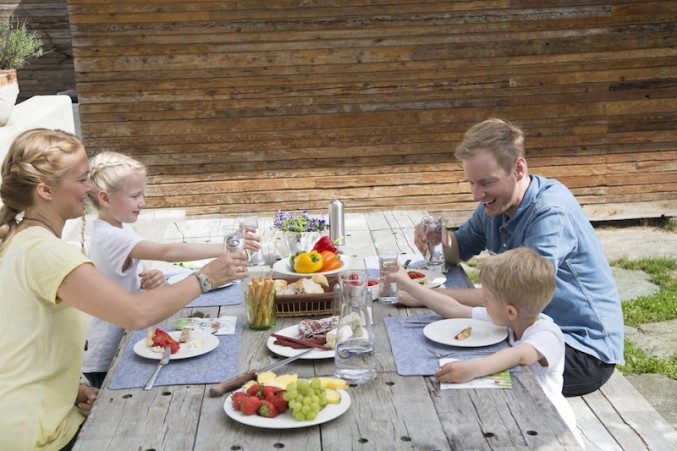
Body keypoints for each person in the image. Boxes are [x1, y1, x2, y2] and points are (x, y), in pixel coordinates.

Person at [0, 129, 249, 450]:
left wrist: (73, 389)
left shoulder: (20, 242)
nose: (90, 188)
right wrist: (206, 278)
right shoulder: (47, 253)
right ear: (46, 190)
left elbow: (23, 343)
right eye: (82, 179)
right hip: (34, 435)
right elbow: (136, 313)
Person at [410, 118, 624, 396]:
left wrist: (421, 294)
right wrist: (439, 235)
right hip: (526, 330)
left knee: (465, 371)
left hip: (582, 350)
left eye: (486, 182)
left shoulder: (550, 214)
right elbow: (457, 251)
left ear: (518, 168)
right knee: (449, 356)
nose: (477, 194)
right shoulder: (495, 204)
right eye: (472, 183)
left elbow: (515, 295)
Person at [81, 151, 260, 388]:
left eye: (142, 194)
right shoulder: (110, 235)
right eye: (135, 196)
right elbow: (168, 252)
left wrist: (147, 277)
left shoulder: (119, 226)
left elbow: (129, 268)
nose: (142, 202)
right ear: (105, 199)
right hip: (106, 353)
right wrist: (225, 247)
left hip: (123, 338)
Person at [388, 247, 582, 445]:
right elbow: (453, 308)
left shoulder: (547, 334)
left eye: (486, 300)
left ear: (511, 311)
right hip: (514, 412)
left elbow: (520, 355)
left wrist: (473, 368)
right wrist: (408, 285)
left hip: (549, 428)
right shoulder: (507, 320)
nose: (483, 304)